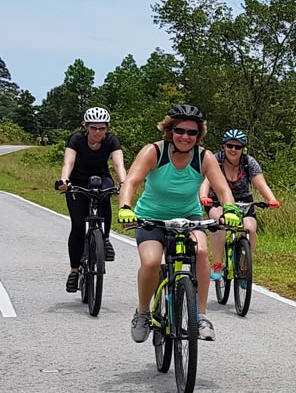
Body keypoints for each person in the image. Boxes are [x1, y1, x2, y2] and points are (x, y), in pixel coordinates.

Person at [116, 105, 242, 343]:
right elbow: (131, 182)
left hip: (188, 217)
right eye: (180, 131)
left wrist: (230, 209)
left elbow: (223, 188)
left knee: (202, 251)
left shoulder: (203, 157)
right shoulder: (154, 151)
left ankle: (201, 316)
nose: (185, 137)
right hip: (151, 217)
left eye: (192, 133)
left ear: (199, 136)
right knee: (152, 261)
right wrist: (125, 207)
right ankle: (143, 312)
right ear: (170, 131)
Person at [55, 107, 127, 294]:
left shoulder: (111, 140)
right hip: (78, 181)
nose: (97, 132)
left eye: (102, 128)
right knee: (78, 226)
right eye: (94, 128)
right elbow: (68, 163)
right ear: (86, 127)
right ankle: (74, 270)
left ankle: (105, 238)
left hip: (101, 177)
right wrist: (65, 180)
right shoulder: (77, 139)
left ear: (107, 128)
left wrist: (124, 182)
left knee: (105, 194)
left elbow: (118, 164)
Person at [198, 129, 279, 280]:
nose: (233, 150)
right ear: (224, 146)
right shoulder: (216, 160)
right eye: (230, 146)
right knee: (220, 223)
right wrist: (203, 197)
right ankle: (217, 264)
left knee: (250, 229)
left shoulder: (249, 163)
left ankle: (244, 267)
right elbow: (206, 182)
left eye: (238, 147)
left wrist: (271, 199)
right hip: (217, 200)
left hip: (244, 202)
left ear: (243, 149)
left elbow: (261, 185)